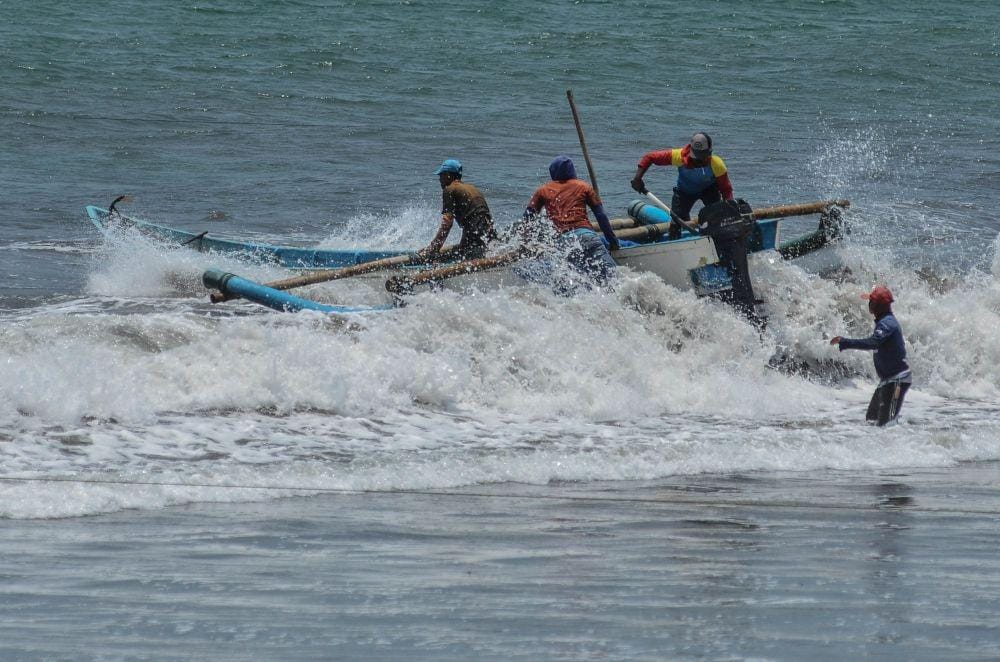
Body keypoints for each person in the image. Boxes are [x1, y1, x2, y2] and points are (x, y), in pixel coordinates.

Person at [522, 155, 620, 287]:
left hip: (565, 243)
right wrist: (613, 241)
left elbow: (527, 219)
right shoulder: (583, 186)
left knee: (576, 283)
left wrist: (525, 243)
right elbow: (601, 216)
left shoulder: (542, 190)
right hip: (588, 237)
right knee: (612, 279)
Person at [829, 285, 912, 426]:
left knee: (887, 425)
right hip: (888, 381)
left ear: (877, 306)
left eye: (871, 301)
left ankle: (906, 445)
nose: (869, 304)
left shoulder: (887, 324)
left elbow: (873, 343)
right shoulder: (884, 321)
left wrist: (845, 342)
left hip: (897, 381)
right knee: (871, 419)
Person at [630, 132, 734, 239]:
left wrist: (730, 209)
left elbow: (726, 189)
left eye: (703, 157)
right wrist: (638, 178)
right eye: (697, 158)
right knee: (676, 223)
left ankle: (717, 239)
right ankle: (678, 241)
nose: (699, 161)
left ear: (709, 153)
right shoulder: (679, 156)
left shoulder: (716, 164)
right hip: (685, 192)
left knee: (717, 217)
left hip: (709, 190)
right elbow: (650, 157)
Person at [419, 159, 498, 261]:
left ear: (448, 175)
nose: (439, 180)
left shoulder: (450, 189)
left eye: (441, 176)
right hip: (487, 227)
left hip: (474, 227)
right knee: (472, 252)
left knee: (460, 258)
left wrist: (433, 248)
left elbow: (447, 223)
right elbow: (482, 215)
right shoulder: (472, 188)